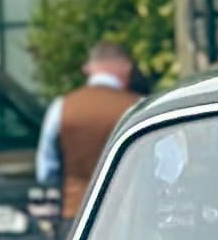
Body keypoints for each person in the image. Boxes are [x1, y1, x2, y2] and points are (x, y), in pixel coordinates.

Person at [36, 43, 141, 227]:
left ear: (89, 68)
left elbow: (46, 171)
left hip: (76, 213)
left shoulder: (62, 107)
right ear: (126, 67)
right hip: (129, 214)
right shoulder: (136, 107)